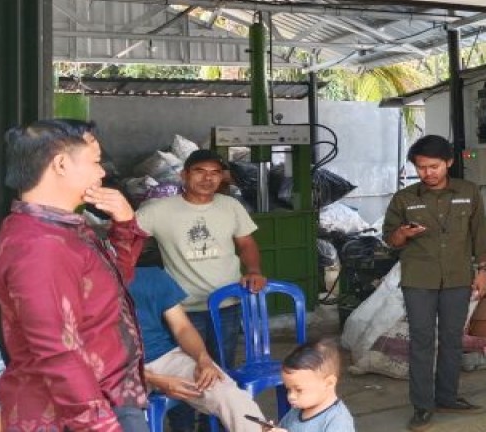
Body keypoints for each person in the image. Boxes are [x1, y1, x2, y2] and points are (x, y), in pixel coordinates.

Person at [0, 118, 150, 432]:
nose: (102, 172)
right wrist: (99, 424)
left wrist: (125, 226)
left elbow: (111, 291)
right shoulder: (39, 245)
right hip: (75, 413)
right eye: (96, 161)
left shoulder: (61, 229)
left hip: (108, 394)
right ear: (61, 164)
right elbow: (56, 349)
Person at [382, 135, 486, 432]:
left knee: (453, 340)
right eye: (421, 167)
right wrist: (403, 234)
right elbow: (389, 239)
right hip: (419, 279)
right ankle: (422, 406)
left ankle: (447, 397)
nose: (427, 173)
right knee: (422, 342)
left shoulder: (469, 192)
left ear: (449, 163)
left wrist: (483, 270)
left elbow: (480, 234)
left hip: (458, 277)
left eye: (433, 166)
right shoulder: (405, 198)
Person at [137, 149, 268, 368]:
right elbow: (128, 242)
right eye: (200, 171)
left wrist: (253, 270)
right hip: (181, 309)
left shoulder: (231, 206)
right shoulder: (157, 210)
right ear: (184, 175)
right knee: (189, 368)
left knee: (222, 365)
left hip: (227, 303)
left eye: (215, 172)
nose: (208, 178)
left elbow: (246, 243)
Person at [130, 244, 266, 432]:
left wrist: (203, 359)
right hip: (116, 372)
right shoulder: (83, 286)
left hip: (165, 358)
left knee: (229, 395)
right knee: (115, 415)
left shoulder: (151, 277)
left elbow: (182, 327)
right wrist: (153, 379)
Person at [271, 340, 354, 432]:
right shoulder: (298, 409)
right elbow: (284, 427)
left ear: (328, 383)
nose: (291, 396)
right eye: (288, 389)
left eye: (299, 390)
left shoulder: (338, 421)